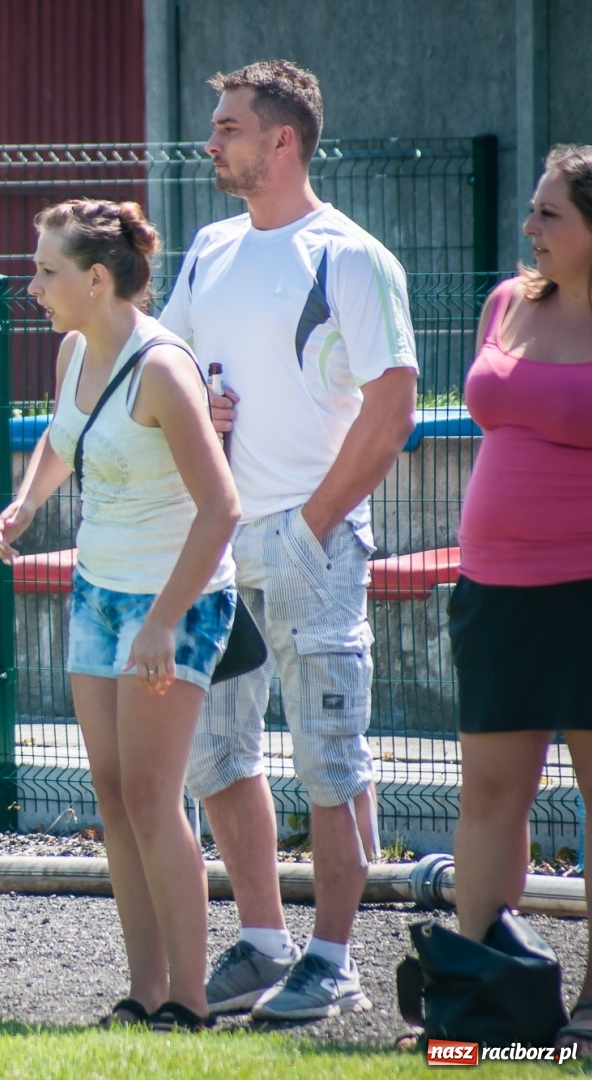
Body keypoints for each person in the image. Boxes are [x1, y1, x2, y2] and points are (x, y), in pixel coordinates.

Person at [158, 60, 418, 1020]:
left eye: (228, 127)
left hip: (315, 544)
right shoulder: (210, 248)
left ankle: (333, 957)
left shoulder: (349, 256)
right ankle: (265, 942)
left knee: (330, 759)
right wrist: (202, 404)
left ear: (283, 141)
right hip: (223, 547)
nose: (212, 141)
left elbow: (393, 411)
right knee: (217, 755)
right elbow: (171, 371)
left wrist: (311, 530)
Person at [0, 201, 240, 1031]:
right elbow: (65, 439)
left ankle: (191, 1001)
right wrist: (26, 502)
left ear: (97, 280)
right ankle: (144, 991)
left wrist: (165, 621)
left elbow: (221, 509)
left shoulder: (163, 368)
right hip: (96, 592)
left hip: (175, 602)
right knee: (112, 792)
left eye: (46, 272)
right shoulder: (74, 351)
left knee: (150, 793)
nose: (33, 287)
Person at [449, 145, 592, 1052]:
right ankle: (479, 1000)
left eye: (552, 215)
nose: (530, 227)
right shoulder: (505, 302)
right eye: (533, 210)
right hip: (494, 589)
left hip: (587, 591)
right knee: (491, 793)